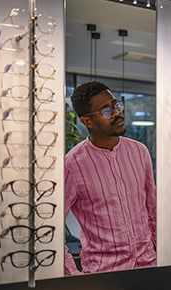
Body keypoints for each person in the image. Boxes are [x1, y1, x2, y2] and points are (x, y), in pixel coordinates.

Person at [64, 81, 156, 275]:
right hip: (104, 275)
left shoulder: (139, 152)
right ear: (87, 121)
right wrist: (72, 274)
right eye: (106, 111)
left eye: (116, 105)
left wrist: (158, 256)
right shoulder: (72, 165)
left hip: (147, 268)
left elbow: (151, 210)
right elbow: (52, 229)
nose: (117, 113)